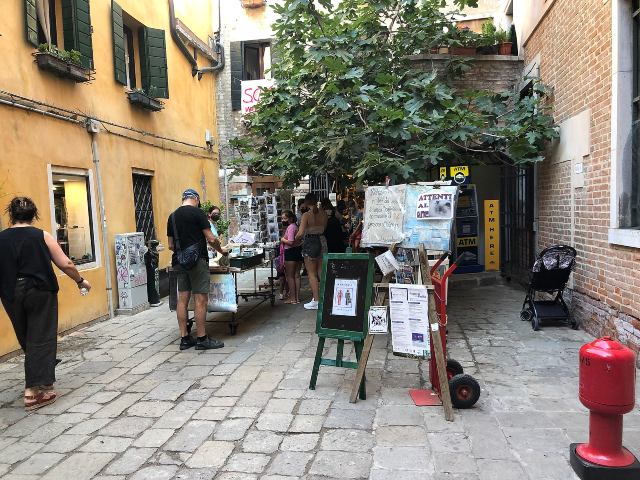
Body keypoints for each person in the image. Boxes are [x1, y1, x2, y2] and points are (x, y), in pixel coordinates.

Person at [0, 197, 92, 411]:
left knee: (27, 337)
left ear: (11, 215)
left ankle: (44, 382)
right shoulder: (41, 236)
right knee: (41, 337)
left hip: (11, 294)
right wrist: (80, 281)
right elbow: (66, 263)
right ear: (34, 215)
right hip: (39, 291)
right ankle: (33, 391)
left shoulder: (1, 239)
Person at [167, 189, 228, 350]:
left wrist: (183, 254)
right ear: (195, 199)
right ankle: (202, 338)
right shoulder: (198, 213)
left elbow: (171, 245)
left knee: (182, 300)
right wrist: (222, 251)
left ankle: (185, 338)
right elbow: (211, 238)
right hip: (197, 260)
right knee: (200, 299)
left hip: (179, 262)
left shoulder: (172, 216)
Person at [295, 192, 327, 310]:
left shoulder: (306, 215)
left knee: (311, 274)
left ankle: (316, 300)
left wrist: (294, 239)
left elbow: (301, 232)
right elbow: (324, 228)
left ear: (306, 202)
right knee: (321, 272)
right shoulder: (323, 214)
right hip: (322, 241)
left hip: (310, 242)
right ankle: (322, 298)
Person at [280, 210, 303, 304]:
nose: (283, 220)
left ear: (290, 218)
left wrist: (282, 239)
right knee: (297, 275)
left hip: (290, 252)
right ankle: (296, 298)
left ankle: (293, 298)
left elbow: (290, 241)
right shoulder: (296, 227)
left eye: (284, 218)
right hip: (298, 251)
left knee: (290, 276)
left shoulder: (291, 227)